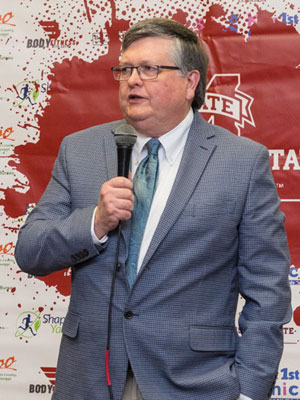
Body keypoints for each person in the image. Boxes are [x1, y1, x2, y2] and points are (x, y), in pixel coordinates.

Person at [15, 18, 291, 400]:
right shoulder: (80, 150)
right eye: (125, 69)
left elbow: (268, 290)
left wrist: (249, 390)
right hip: (91, 379)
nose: (132, 80)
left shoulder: (242, 162)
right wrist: (95, 222)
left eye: (149, 69)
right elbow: (30, 251)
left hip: (194, 383)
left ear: (191, 82)